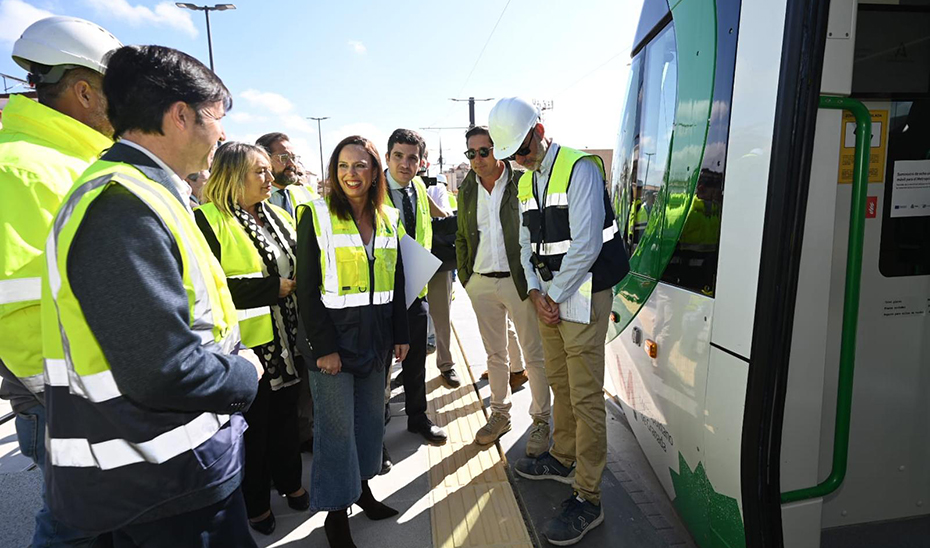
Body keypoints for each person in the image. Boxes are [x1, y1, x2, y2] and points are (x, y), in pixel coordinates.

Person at [40, 44, 261, 545]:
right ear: (181, 115)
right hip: (158, 485)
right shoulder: (124, 206)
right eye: (217, 118)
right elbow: (163, 372)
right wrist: (246, 373)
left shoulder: (144, 192)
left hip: (162, 475)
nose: (222, 134)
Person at [0, 16, 121, 547]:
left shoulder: (75, 163)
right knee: (79, 530)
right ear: (83, 92)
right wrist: (92, 408)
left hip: (105, 407)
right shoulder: (23, 169)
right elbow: (19, 317)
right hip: (82, 412)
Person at [489, 97, 630, 545]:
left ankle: (588, 496)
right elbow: (527, 242)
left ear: (540, 129)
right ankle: (564, 456)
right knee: (561, 384)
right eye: (511, 154)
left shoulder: (579, 167)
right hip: (551, 296)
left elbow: (586, 245)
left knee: (587, 395)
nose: (519, 158)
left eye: (523, 148)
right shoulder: (527, 179)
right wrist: (535, 290)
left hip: (583, 294)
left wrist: (548, 294)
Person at [296, 135, 407, 548]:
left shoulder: (389, 218)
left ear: (375, 171)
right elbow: (306, 288)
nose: (350, 174)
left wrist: (401, 335)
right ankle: (335, 513)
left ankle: (362, 491)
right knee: (336, 432)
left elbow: (396, 280)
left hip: (375, 340)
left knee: (368, 426)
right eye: (342, 166)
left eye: (359, 165)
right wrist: (324, 348)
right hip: (332, 346)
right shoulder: (316, 214)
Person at [194, 142, 309, 535]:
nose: (270, 178)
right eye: (259, 171)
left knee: (286, 419)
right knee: (254, 429)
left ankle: (291, 483)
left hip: (288, 341)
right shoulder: (206, 220)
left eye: (268, 170)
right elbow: (208, 288)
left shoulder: (278, 214)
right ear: (232, 176)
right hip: (248, 347)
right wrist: (271, 288)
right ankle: (257, 504)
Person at [455, 125, 552, 454]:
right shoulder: (467, 189)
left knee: (533, 355)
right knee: (495, 355)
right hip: (481, 282)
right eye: (472, 153)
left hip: (518, 280)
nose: (478, 159)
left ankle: (541, 420)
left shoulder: (520, 181)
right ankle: (500, 414)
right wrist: (467, 278)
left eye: (485, 151)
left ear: (498, 149)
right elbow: (462, 235)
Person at [383, 129, 448, 446]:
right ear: (387, 157)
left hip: (415, 290)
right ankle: (376, 434)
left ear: (421, 162)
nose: (405, 164)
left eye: (412, 158)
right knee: (381, 367)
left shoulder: (420, 187)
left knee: (416, 360)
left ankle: (417, 417)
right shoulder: (371, 189)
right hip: (381, 295)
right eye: (398, 156)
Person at [257, 131, 317, 453]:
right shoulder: (254, 198)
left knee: (305, 373)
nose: (291, 162)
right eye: (283, 157)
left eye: (293, 156)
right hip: (271, 313)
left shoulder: (302, 196)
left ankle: (305, 432)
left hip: (302, 301)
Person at [257, 132, 318, 216]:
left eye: (293, 158)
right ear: (264, 160)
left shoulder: (304, 194)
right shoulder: (251, 198)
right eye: (284, 157)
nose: (292, 163)